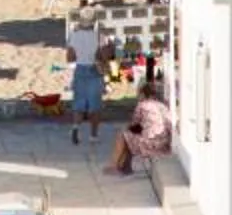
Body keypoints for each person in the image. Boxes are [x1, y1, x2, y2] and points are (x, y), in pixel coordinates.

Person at [110, 80, 173, 174]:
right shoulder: (163, 106)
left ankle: (114, 165)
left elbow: (134, 124)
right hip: (164, 142)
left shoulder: (143, 105)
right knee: (129, 137)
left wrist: (127, 128)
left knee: (123, 135)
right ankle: (125, 166)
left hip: (152, 143)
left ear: (143, 94)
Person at [66, 10, 104, 147]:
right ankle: (93, 135)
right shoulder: (97, 36)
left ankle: (76, 127)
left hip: (80, 68)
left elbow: (70, 57)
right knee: (95, 106)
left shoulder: (74, 35)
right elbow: (100, 56)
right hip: (93, 69)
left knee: (79, 102)